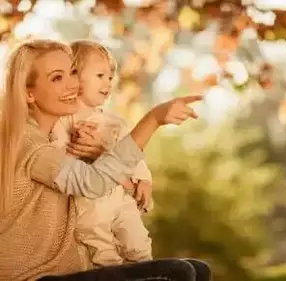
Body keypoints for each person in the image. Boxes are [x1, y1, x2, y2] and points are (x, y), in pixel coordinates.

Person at [0, 39, 210, 281]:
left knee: (198, 268)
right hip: (33, 277)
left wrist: (129, 175)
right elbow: (91, 183)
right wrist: (152, 120)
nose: (72, 84)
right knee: (177, 272)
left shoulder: (60, 134)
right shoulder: (28, 144)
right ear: (29, 93)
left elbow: (107, 189)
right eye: (57, 78)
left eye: (73, 72)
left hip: (72, 270)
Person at [51, 40, 153, 267]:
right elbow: (55, 161)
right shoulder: (62, 120)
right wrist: (74, 145)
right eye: (100, 75)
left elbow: (134, 152)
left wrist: (144, 178)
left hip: (121, 199)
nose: (108, 82)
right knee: (102, 252)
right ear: (74, 75)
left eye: (110, 77)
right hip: (89, 205)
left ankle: (150, 271)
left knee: (139, 246)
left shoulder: (116, 123)